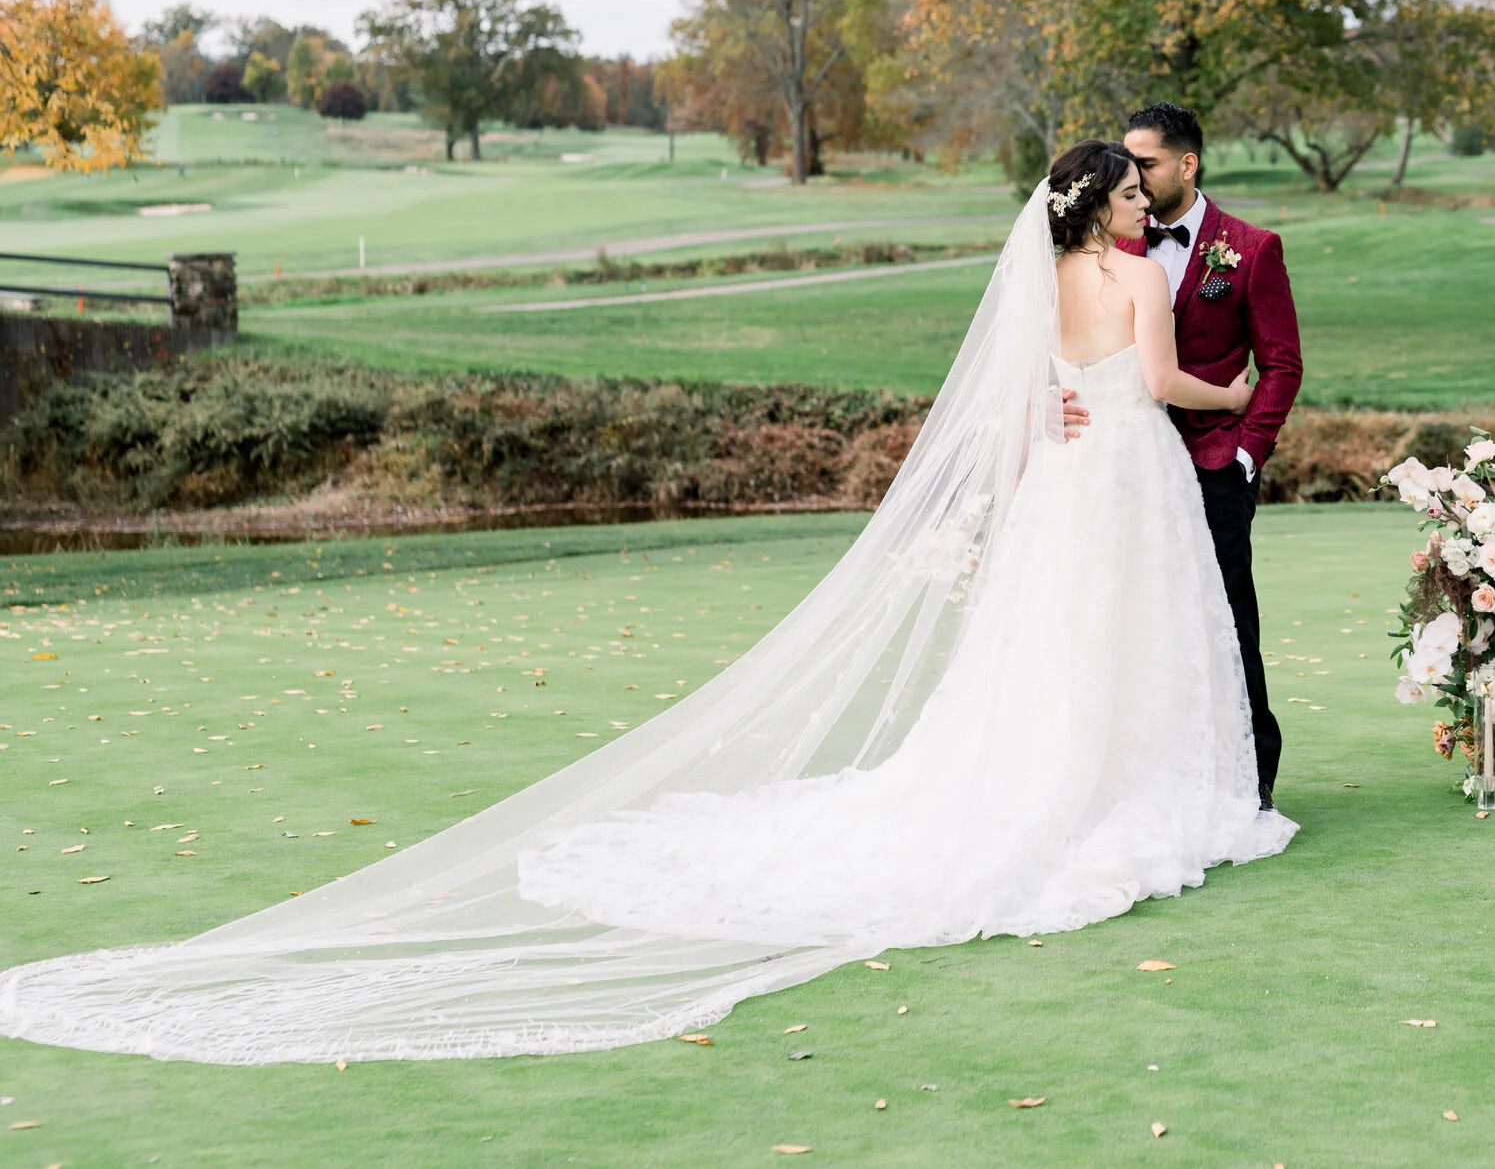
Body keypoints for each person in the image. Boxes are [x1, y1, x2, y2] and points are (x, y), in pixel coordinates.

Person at [0, 143, 1294, 1065]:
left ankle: (1075, 775)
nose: (1143, 204)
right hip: (1126, 472)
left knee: (1061, 640)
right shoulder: (1134, 279)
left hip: (1064, 483)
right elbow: (1158, 382)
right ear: (1101, 205)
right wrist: (1233, 398)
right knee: (1130, 631)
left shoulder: (1038, 285)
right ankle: (1126, 787)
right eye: (1130, 192)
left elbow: (1027, 400)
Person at [1062, 102, 1300, 808]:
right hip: (1118, 465)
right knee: (1129, 619)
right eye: (1127, 167)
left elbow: (1281, 365)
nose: (1134, 177)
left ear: (1188, 163)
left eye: (1147, 164)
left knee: (1225, 621)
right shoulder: (1114, 244)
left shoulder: (1251, 248)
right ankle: (1145, 776)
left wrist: (1248, 454)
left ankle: (1251, 776)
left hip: (1212, 462)